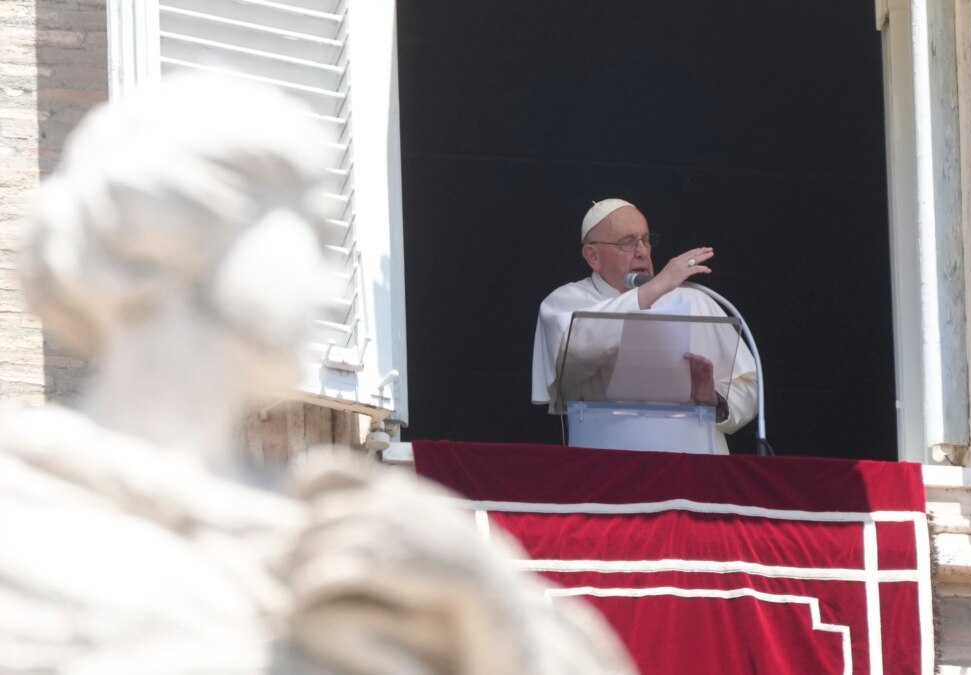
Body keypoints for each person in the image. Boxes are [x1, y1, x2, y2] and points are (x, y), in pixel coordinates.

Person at [1, 73, 635, 675]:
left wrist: (489, 617)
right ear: (163, 238)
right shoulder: (27, 511)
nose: (333, 285)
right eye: (309, 233)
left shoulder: (372, 533)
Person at [532, 198, 757, 454]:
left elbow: (749, 385)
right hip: (606, 472)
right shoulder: (565, 302)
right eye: (627, 243)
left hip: (693, 475)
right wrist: (655, 288)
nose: (642, 251)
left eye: (646, 240)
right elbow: (575, 351)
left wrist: (712, 398)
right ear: (593, 256)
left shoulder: (696, 300)